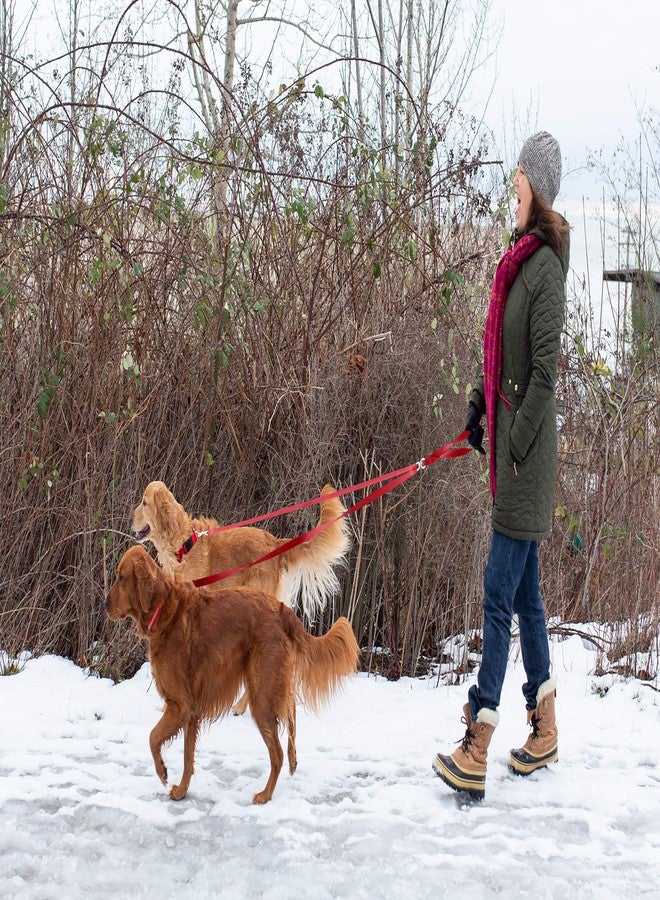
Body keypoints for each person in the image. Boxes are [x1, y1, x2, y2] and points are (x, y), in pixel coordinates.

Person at [433, 131, 570, 801]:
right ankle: (543, 729)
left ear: (536, 189)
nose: (510, 190)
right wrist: (479, 408)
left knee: (496, 594)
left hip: (526, 463)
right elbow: (508, 363)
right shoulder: (519, 261)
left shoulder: (544, 268)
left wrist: (513, 444)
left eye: (518, 181)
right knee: (525, 599)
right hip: (515, 453)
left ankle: (477, 742)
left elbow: (544, 375)